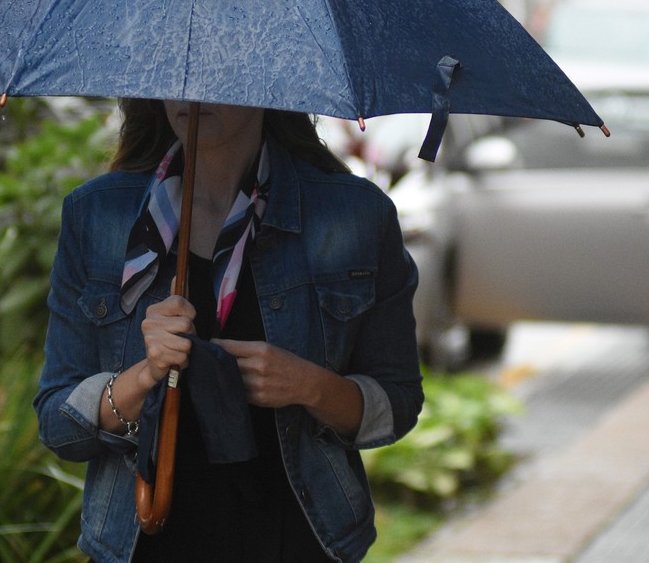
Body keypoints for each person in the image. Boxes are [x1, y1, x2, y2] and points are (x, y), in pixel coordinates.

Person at [33, 98, 424, 563]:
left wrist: (310, 386)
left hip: (297, 539)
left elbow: (398, 403)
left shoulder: (355, 215)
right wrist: (144, 376)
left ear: (267, 82)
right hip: (146, 544)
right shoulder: (96, 215)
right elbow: (58, 424)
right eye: (178, 68)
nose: (190, 92)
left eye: (215, 64)